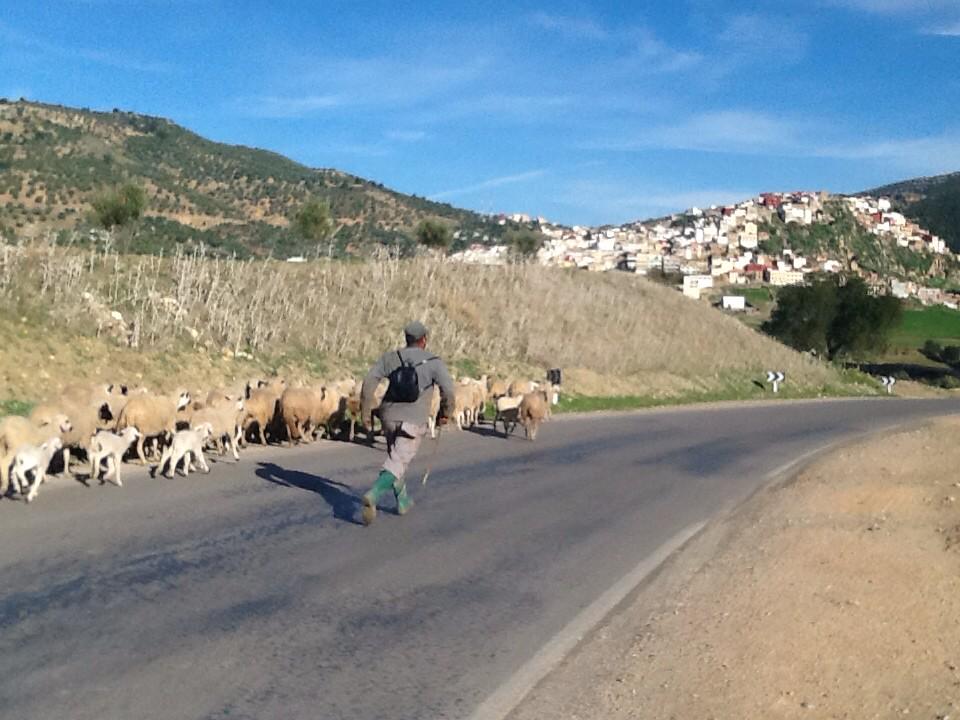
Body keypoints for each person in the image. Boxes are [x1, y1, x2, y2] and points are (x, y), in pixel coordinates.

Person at [359, 320, 455, 525]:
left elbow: (369, 381)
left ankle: (402, 501)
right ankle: (374, 494)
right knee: (398, 461)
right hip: (413, 420)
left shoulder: (391, 358)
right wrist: (444, 414)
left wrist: (366, 412)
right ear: (424, 340)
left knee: (396, 457)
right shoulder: (434, 362)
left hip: (388, 416)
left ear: (407, 339)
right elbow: (449, 391)